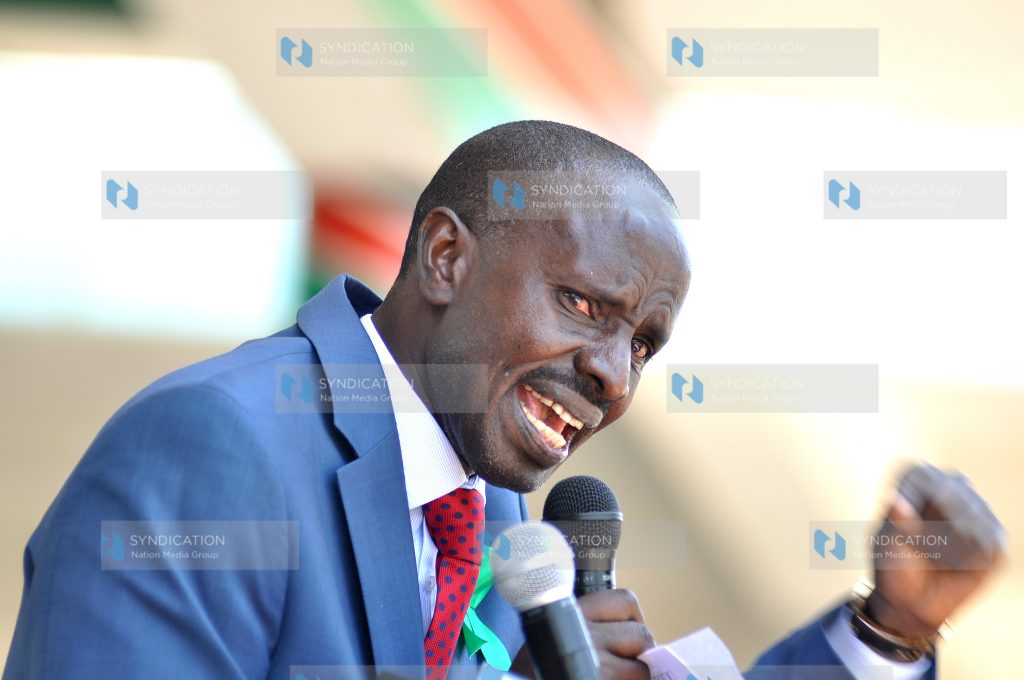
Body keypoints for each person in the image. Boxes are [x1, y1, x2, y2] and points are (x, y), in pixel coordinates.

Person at [3, 121, 1005, 680]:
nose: (615, 374)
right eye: (583, 304)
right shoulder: (216, 448)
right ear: (445, 256)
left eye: (644, 343)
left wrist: (887, 631)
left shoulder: (497, 523)